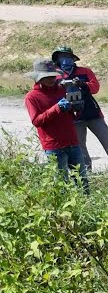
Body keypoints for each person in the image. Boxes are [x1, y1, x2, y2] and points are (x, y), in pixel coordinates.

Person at [52, 45, 108, 171]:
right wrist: (60, 87)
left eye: (68, 57)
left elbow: (95, 87)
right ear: (57, 59)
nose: (66, 59)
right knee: (80, 145)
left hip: (92, 113)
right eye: (62, 57)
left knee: (107, 139)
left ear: (73, 59)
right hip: (72, 115)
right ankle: (87, 169)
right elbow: (50, 93)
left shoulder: (85, 72)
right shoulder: (54, 76)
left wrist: (83, 84)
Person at [24, 59, 88, 194]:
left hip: (72, 142)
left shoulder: (61, 90)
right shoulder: (32, 97)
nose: (51, 79)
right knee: (61, 183)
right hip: (54, 146)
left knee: (82, 180)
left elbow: (70, 116)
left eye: (53, 76)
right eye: (46, 77)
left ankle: (87, 206)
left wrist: (76, 109)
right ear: (38, 78)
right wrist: (57, 108)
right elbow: (37, 121)